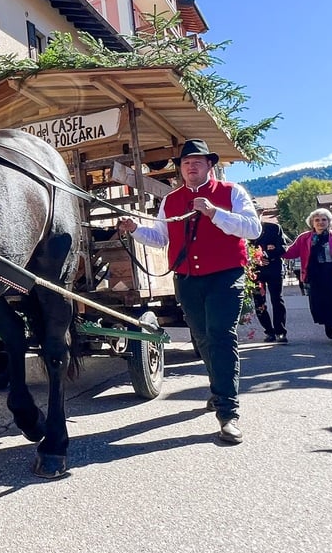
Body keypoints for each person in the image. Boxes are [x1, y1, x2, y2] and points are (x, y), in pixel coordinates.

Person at [118, 139, 260, 445]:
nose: (191, 166)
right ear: (181, 169)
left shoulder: (231, 192)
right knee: (203, 337)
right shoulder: (171, 200)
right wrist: (134, 230)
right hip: (187, 278)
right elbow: (159, 238)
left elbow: (253, 229)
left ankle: (228, 413)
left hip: (225, 276)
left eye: (197, 161)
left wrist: (215, 213)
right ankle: (218, 386)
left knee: (221, 335)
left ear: (209, 165)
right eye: (186, 163)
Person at [283, 208, 332, 346]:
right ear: (312, 223)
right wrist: (273, 249)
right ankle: (327, 323)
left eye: (324, 220)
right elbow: (290, 253)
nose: (321, 222)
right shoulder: (305, 238)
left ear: (329, 222)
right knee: (321, 304)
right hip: (316, 275)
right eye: (317, 220)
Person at [250, 217, 287, 343]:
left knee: (277, 300)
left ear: (262, 213)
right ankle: (269, 331)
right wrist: (256, 259)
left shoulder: (273, 228)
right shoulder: (244, 228)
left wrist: (266, 255)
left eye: (257, 212)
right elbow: (243, 250)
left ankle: (280, 331)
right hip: (255, 270)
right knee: (259, 302)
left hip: (274, 268)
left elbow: (282, 248)